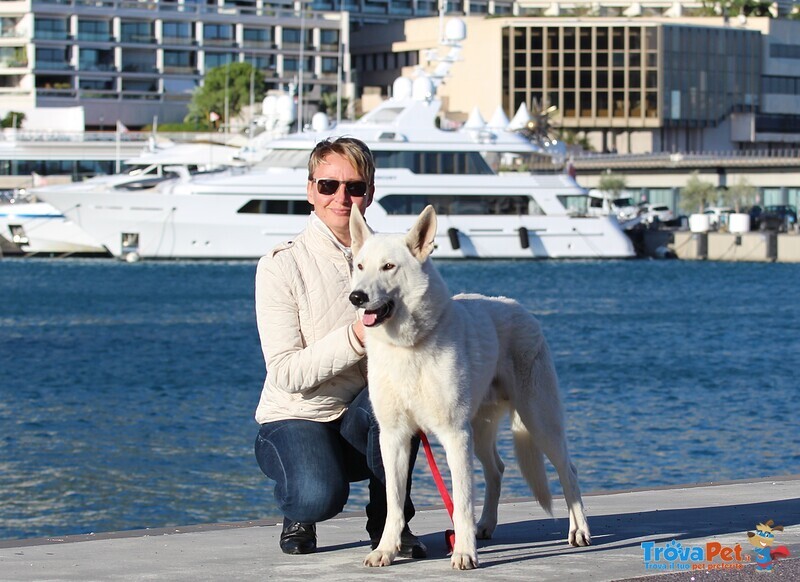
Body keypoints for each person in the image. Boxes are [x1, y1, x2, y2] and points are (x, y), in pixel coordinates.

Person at [253, 137, 426, 557]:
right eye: (329, 185)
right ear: (311, 190)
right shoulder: (281, 264)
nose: (341, 197)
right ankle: (300, 507)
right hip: (297, 413)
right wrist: (356, 337)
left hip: (364, 412)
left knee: (408, 394)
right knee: (317, 496)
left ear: (370, 191)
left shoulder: (395, 257)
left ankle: (390, 522)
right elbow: (286, 373)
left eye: (355, 187)